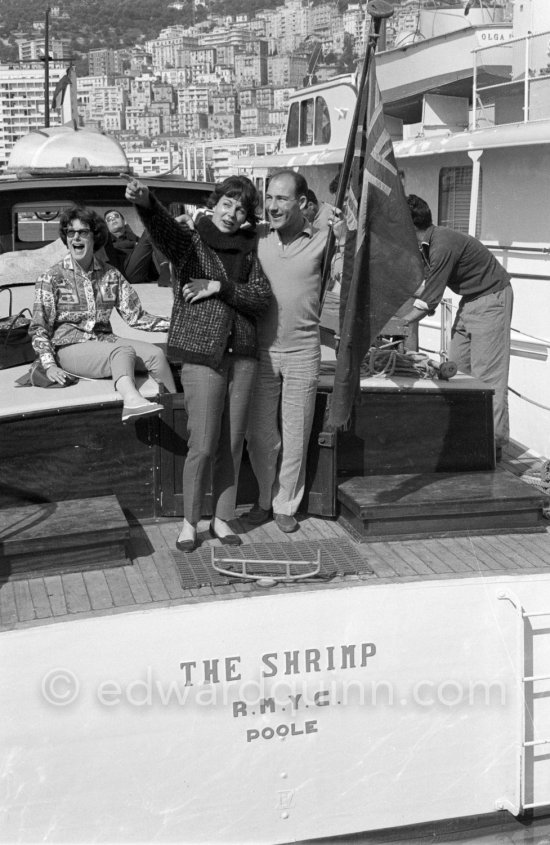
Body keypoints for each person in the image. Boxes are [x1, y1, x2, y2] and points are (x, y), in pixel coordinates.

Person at [125, 174, 272, 552]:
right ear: (215, 202)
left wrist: (219, 287)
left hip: (242, 356)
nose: (232, 213)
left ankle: (221, 518)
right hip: (201, 355)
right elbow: (162, 232)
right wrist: (146, 203)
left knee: (231, 442)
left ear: (247, 216)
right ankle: (190, 522)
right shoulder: (191, 242)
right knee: (203, 444)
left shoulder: (250, 249)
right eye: (227, 203)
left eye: (240, 208)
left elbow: (260, 299)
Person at [30, 204, 177, 422]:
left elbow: (136, 318)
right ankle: (132, 401)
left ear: (95, 237)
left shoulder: (111, 275)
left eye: (83, 232)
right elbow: (39, 326)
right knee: (122, 351)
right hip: (69, 346)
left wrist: (179, 323)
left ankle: (177, 414)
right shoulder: (51, 277)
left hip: (106, 340)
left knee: (156, 355)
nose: (76, 238)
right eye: (71, 232)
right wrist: (49, 364)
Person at [245, 169, 330, 533]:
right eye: (269, 197)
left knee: (296, 434)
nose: (272, 205)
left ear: (302, 203)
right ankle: (265, 499)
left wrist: (349, 235)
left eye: (281, 198)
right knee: (262, 434)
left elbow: (358, 270)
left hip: (303, 352)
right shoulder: (257, 237)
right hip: (261, 351)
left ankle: (285, 505)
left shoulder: (326, 240)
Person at [403, 194, 513, 459]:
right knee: (456, 370)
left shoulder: (441, 245)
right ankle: (465, 436)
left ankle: (493, 448)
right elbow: (423, 284)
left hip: (491, 299)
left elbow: (430, 298)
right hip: (470, 300)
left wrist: (397, 324)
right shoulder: (425, 246)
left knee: (489, 379)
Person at [103, 209, 161, 285]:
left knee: (153, 231)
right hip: (125, 273)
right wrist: (133, 244)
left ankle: (169, 272)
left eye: (116, 216)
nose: (113, 219)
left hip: (143, 271)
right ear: (106, 226)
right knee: (149, 232)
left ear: (124, 221)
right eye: (109, 219)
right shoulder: (106, 242)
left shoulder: (137, 239)